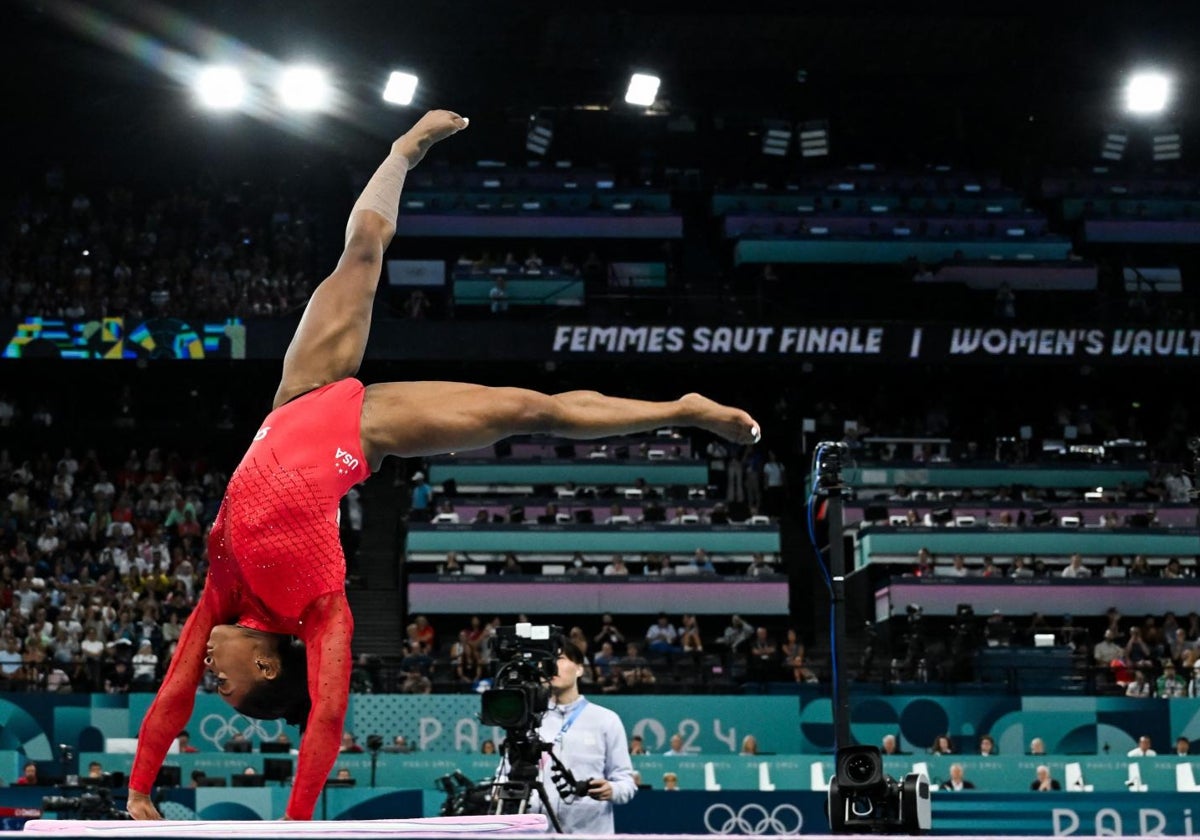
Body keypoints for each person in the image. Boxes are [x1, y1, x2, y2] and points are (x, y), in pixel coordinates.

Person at [126, 111, 760, 822]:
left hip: (295, 397)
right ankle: (681, 407)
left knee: (362, 249)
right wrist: (297, 825)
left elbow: (170, 690)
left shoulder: (221, 597)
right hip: (361, 433)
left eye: (217, 688)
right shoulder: (321, 611)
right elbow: (328, 718)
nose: (210, 676)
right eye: (229, 687)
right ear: (267, 666)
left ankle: (402, 150)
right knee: (532, 407)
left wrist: (140, 788)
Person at [497, 637, 636, 833]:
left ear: (579, 668)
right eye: (546, 660)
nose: (551, 666)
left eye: (560, 658)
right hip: (535, 833)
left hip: (589, 833)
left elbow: (626, 783)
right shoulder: (527, 720)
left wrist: (612, 790)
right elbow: (503, 775)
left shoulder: (606, 720)